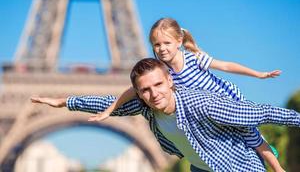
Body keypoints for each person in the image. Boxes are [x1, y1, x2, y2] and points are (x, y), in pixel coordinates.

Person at [31, 58, 300, 172]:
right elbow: (108, 102)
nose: (153, 94)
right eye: (145, 90)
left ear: (170, 80)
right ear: (137, 93)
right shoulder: (145, 106)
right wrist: (64, 101)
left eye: (158, 84)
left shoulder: (203, 103)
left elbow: (259, 113)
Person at [88, 18, 282, 170]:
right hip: (201, 115)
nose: (162, 48)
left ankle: (277, 167)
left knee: (252, 137)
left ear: (179, 41)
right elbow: (133, 90)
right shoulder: (163, 72)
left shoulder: (193, 58)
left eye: (166, 43)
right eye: (157, 45)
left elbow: (225, 65)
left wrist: (259, 74)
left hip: (223, 103)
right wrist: (109, 109)